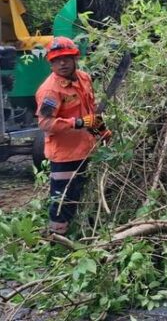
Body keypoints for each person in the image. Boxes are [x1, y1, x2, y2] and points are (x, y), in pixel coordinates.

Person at [35, 37, 103, 236]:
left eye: (66, 58)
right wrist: (77, 123)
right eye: (57, 60)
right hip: (65, 155)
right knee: (63, 200)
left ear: (75, 58)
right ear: (51, 62)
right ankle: (58, 240)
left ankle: (85, 233)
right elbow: (45, 123)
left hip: (87, 149)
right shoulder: (50, 90)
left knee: (85, 194)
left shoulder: (84, 79)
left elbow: (91, 112)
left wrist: (101, 131)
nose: (62, 63)